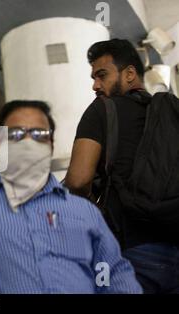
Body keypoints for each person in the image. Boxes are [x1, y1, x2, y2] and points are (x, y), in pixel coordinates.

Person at [0, 100, 141, 293]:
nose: (27, 143)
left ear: (51, 144)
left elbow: (114, 272)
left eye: (38, 135)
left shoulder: (85, 212)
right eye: (16, 134)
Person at [65, 39, 179, 294]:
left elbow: (78, 179)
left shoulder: (102, 109)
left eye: (102, 75)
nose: (95, 85)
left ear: (129, 74)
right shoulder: (170, 114)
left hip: (129, 255)